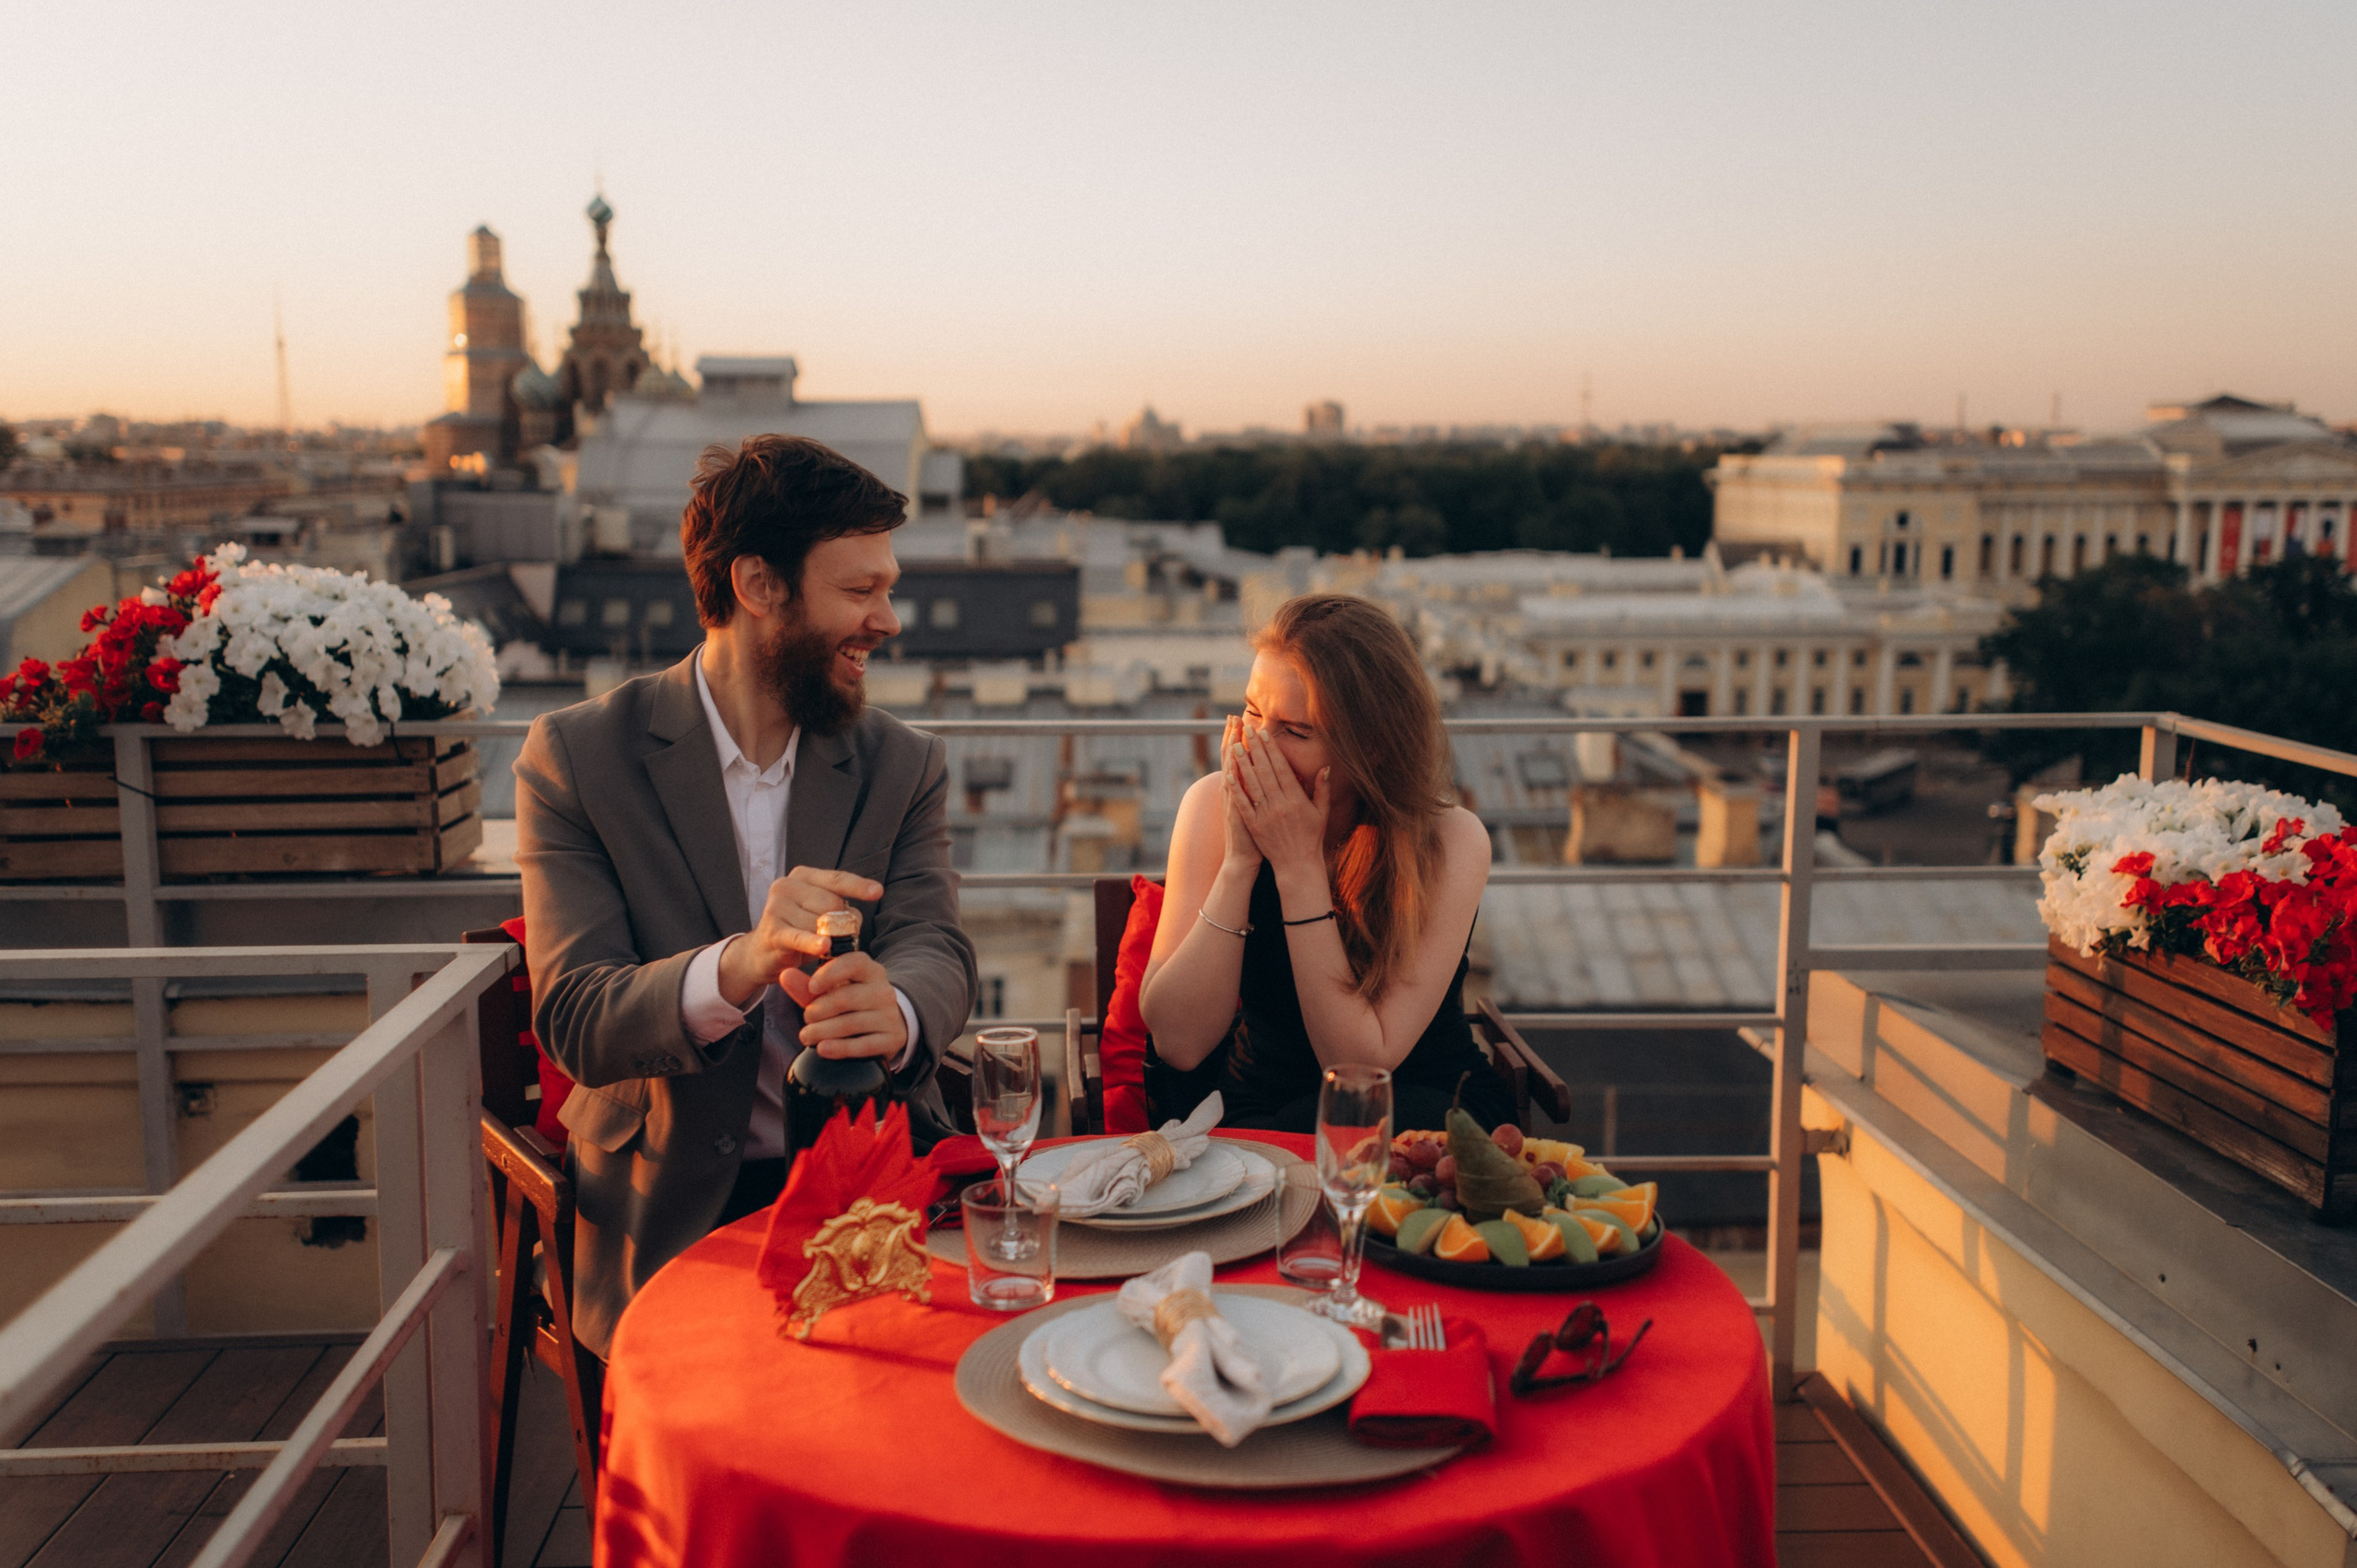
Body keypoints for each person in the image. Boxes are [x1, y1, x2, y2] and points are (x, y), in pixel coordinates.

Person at [515, 434, 977, 1357]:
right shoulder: (575, 757)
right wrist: (740, 963)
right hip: (667, 1211)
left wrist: (899, 1007)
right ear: (758, 586)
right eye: (859, 591)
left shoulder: (903, 760)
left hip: (869, 1190)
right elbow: (575, 1015)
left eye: (886, 587)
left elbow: (938, 948)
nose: (888, 619)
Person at [1139, 592, 1515, 1134]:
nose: (1257, 748)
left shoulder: (1450, 839)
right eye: (1251, 712)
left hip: (1420, 1107)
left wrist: (1298, 871)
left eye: (1296, 731)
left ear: (1373, 748)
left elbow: (1362, 1065)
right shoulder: (1209, 805)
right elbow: (1178, 1043)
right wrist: (1240, 864)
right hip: (1264, 1105)